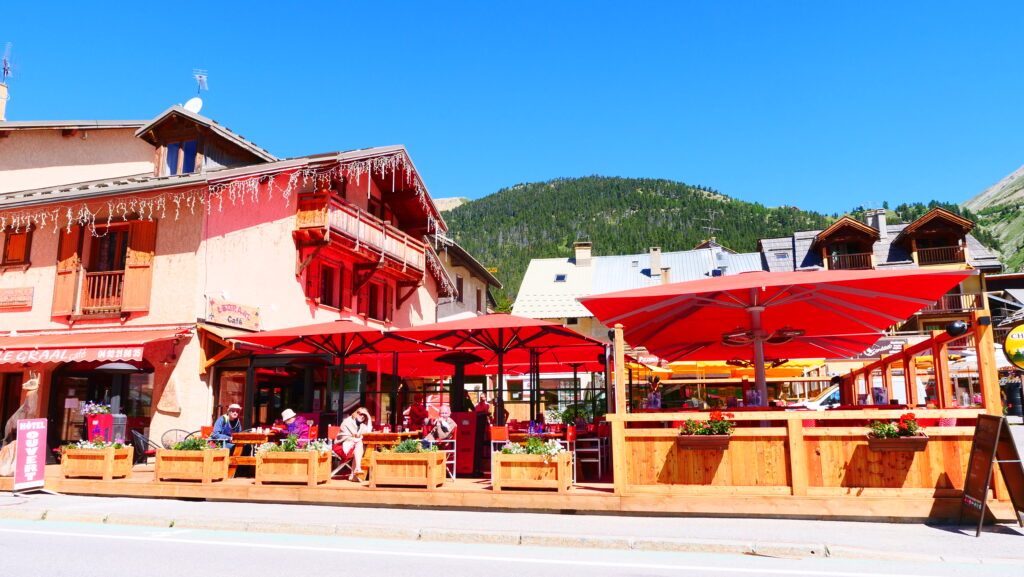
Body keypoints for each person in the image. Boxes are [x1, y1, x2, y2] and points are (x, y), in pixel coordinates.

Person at [336, 407, 372, 481]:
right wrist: (358, 439)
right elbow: (345, 437)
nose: (362, 416)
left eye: (365, 416)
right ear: (356, 413)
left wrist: (369, 418)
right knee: (359, 443)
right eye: (361, 414)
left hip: (354, 448)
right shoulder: (347, 422)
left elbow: (368, 432)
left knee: (359, 445)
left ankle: (353, 474)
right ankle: (357, 469)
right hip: (341, 447)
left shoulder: (362, 426)